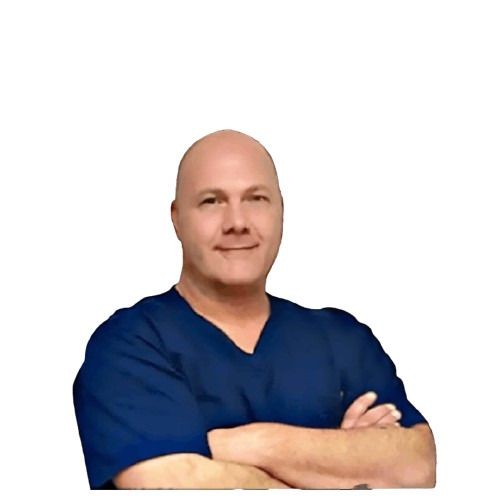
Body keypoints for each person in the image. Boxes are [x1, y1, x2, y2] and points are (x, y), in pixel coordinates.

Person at [73, 129, 436, 489]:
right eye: (212, 201)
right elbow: (166, 483)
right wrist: (340, 465)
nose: (237, 222)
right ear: (177, 218)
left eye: (256, 199)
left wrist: (242, 444)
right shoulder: (128, 346)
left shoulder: (344, 341)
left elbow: (418, 467)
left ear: (281, 211)